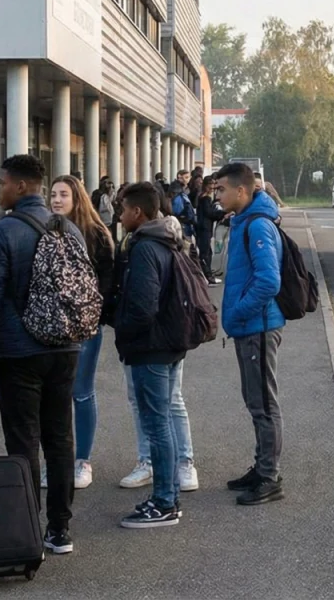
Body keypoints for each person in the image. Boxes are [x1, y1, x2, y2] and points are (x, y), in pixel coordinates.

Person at [0, 155, 81, 555]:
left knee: (23, 440)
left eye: (2, 182)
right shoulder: (69, 228)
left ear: (20, 186)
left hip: (19, 351)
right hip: (65, 347)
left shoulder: (4, 231)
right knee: (60, 437)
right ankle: (61, 529)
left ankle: (27, 528)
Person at [110, 182, 192, 528]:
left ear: (137, 213)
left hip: (151, 348)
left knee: (156, 424)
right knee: (164, 422)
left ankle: (163, 502)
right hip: (169, 343)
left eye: (123, 209)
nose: (119, 215)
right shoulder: (168, 239)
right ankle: (169, 496)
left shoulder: (144, 248)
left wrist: (121, 328)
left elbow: (142, 307)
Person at [216, 163, 287, 505]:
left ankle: (270, 477)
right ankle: (262, 468)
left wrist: (238, 311)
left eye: (221, 190)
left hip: (257, 327)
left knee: (264, 404)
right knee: (255, 400)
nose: (217, 195)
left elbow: (269, 282)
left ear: (241, 191)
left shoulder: (257, 225)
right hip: (250, 326)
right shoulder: (245, 221)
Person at [50, 175, 116, 491]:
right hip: (50, 328)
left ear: (77, 197)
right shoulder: (45, 231)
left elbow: (106, 279)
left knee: (81, 391)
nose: (57, 199)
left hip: (86, 327)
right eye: (53, 194)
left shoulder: (96, 234)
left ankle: (82, 461)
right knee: (54, 395)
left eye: (63, 194)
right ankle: (58, 461)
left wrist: (91, 316)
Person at [193, 178, 224, 284]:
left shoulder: (202, 197)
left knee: (206, 252)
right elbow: (210, 214)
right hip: (204, 228)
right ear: (206, 186)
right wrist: (223, 213)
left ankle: (206, 274)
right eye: (210, 185)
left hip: (203, 228)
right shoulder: (205, 198)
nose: (212, 188)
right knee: (205, 253)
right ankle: (207, 276)